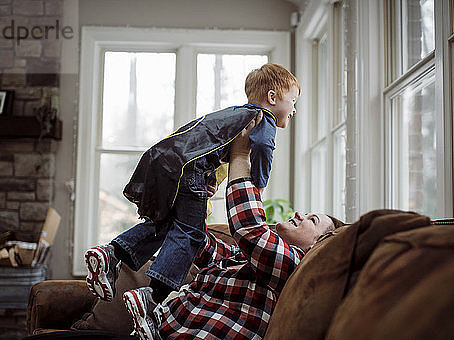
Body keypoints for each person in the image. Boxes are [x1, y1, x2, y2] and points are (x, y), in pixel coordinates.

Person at [0, 114, 343, 340]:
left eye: (311, 220)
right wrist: (192, 185)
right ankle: (112, 256)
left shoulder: (294, 269)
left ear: (320, 245)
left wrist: (240, 157)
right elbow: (193, 238)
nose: (299, 215)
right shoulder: (243, 258)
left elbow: (250, 229)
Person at [85, 63, 300, 307]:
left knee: (168, 224)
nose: (294, 109)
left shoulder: (235, 113)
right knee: (191, 232)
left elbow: (206, 145)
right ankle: (152, 296)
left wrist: (207, 180)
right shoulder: (263, 119)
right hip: (189, 169)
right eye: (293, 100)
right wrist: (259, 185)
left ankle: (112, 254)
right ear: (272, 97)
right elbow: (263, 147)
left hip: (169, 162)